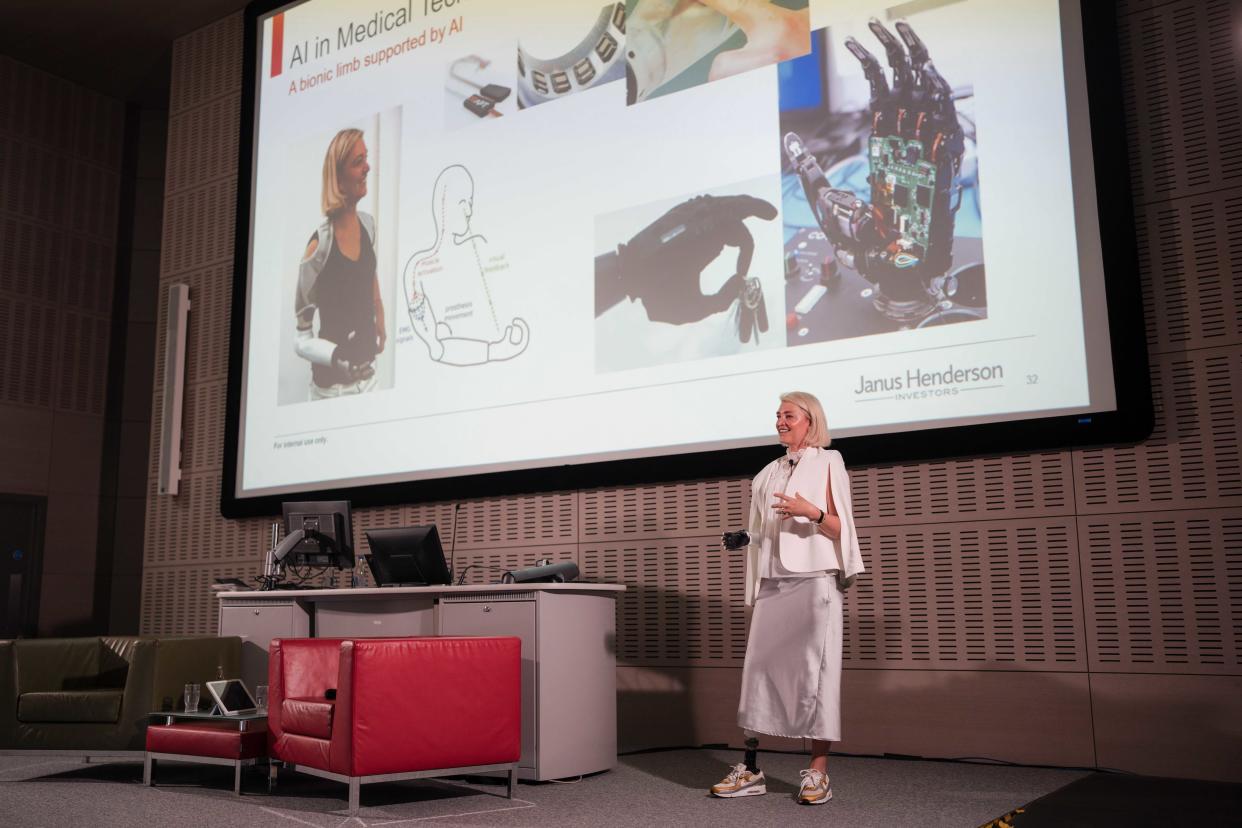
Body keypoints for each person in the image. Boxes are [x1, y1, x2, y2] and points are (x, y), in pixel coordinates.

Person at [711, 391, 864, 805]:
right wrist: (747, 536)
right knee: (759, 672)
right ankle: (751, 767)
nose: (780, 421)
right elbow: (767, 529)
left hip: (814, 579)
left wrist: (810, 511)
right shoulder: (768, 472)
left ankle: (817, 773)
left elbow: (839, 528)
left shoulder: (829, 462)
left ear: (809, 421)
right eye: (777, 415)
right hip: (773, 580)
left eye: (789, 415)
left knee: (817, 674)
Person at [294, 128, 387, 399]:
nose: (367, 167)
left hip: (370, 381)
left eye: (366, 158)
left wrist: (379, 315)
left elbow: (368, 274)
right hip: (331, 393)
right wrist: (336, 357)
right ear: (338, 179)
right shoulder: (318, 247)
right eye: (358, 162)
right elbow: (301, 340)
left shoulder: (368, 226)